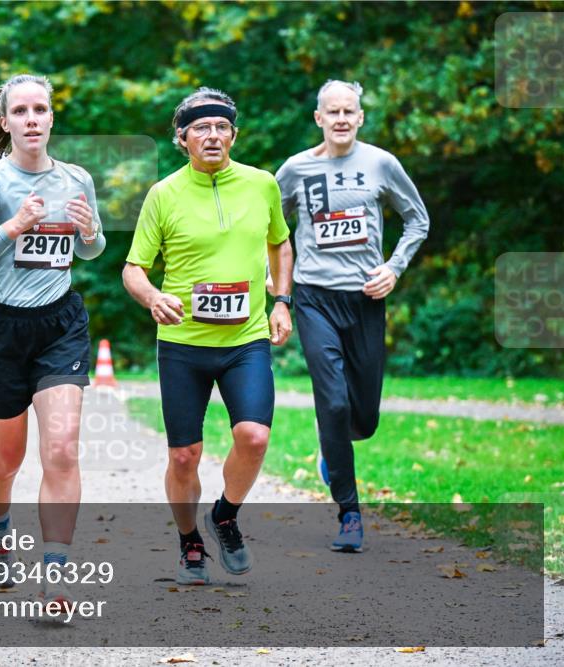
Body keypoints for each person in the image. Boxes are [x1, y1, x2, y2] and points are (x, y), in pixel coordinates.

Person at [122, 87, 293, 585]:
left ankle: (224, 516)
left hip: (246, 340)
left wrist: (281, 301)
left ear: (234, 135)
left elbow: (281, 244)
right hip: (183, 344)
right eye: (201, 128)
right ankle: (188, 539)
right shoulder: (164, 194)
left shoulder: (262, 185)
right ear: (183, 137)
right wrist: (153, 297)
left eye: (221, 127)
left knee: (254, 436)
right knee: (184, 455)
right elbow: (134, 269)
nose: (212, 135)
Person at [0, 74, 105, 610]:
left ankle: (56, 572)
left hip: (59, 325)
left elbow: (89, 251)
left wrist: (90, 234)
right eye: (21, 111)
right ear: (7, 121)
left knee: (61, 449)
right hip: (0, 328)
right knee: (7, 456)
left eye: (40, 109)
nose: (32, 118)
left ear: (52, 117)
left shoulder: (77, 178)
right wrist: (13, 227)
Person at [275, 80, 429, 553]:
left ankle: (333, 447)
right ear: (318, 118)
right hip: (315, 296)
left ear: (360, 117)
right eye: (332, 112)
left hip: (365, 299)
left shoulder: (381, 163)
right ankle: (349, 513)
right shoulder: (295, 169)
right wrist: (274, 276)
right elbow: (269, 226)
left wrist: (394, 267)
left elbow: (417, 219)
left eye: (349, 111)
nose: (341, 119)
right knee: (334, 403)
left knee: (363, 416)